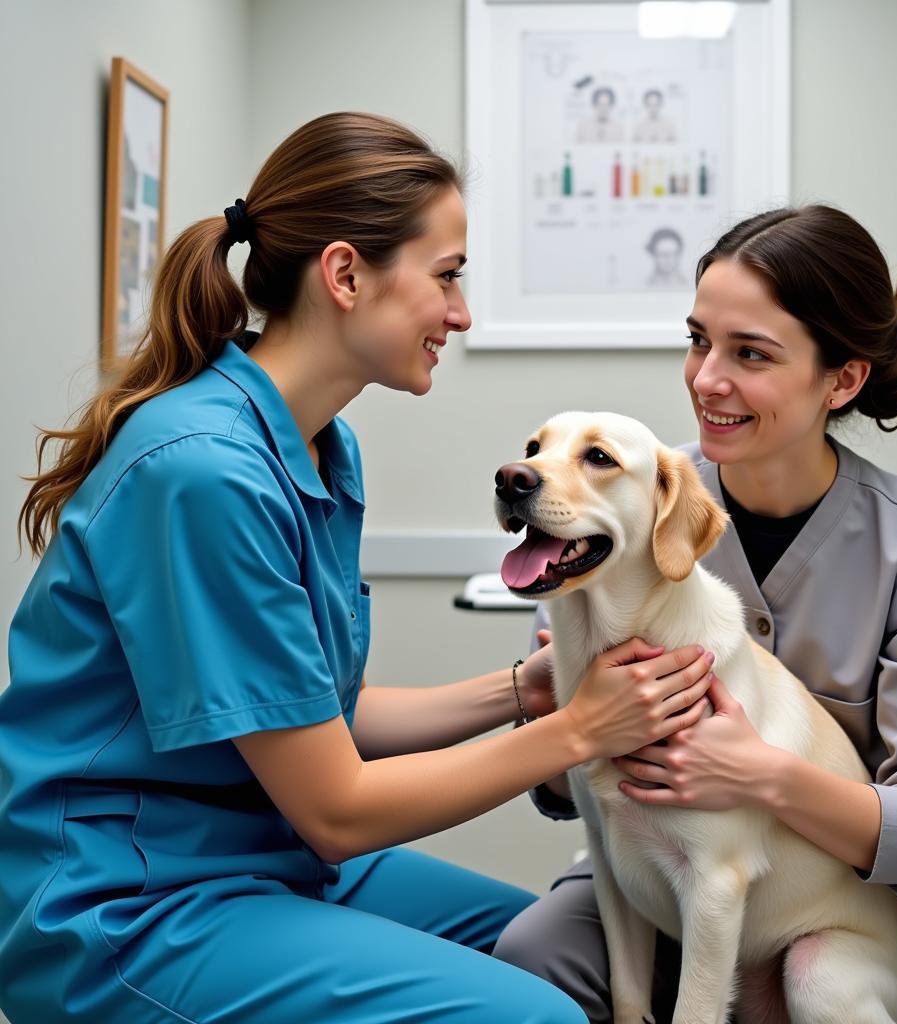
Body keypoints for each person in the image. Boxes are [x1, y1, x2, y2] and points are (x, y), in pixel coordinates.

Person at [0, 112, 712, 1024]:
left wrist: (529, 690)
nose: (460, 313)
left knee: (554, 954)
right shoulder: (203, 473)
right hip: (129, 904)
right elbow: (337, 807)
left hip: (258, 848)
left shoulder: (318, 448)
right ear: (344, 275)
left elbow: (327, 719)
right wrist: (579, 731)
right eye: (448, 277)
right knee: (540, 1017)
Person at [493, 204, 897, 1021]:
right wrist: (571, 720)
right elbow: (573, 791)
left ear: (841, 380)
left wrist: (762, 775)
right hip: (673, 873)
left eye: (750, 353)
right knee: (530, 957)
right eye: (699, 339)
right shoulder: (630, 496)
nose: (707, 379)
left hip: (869, 893)